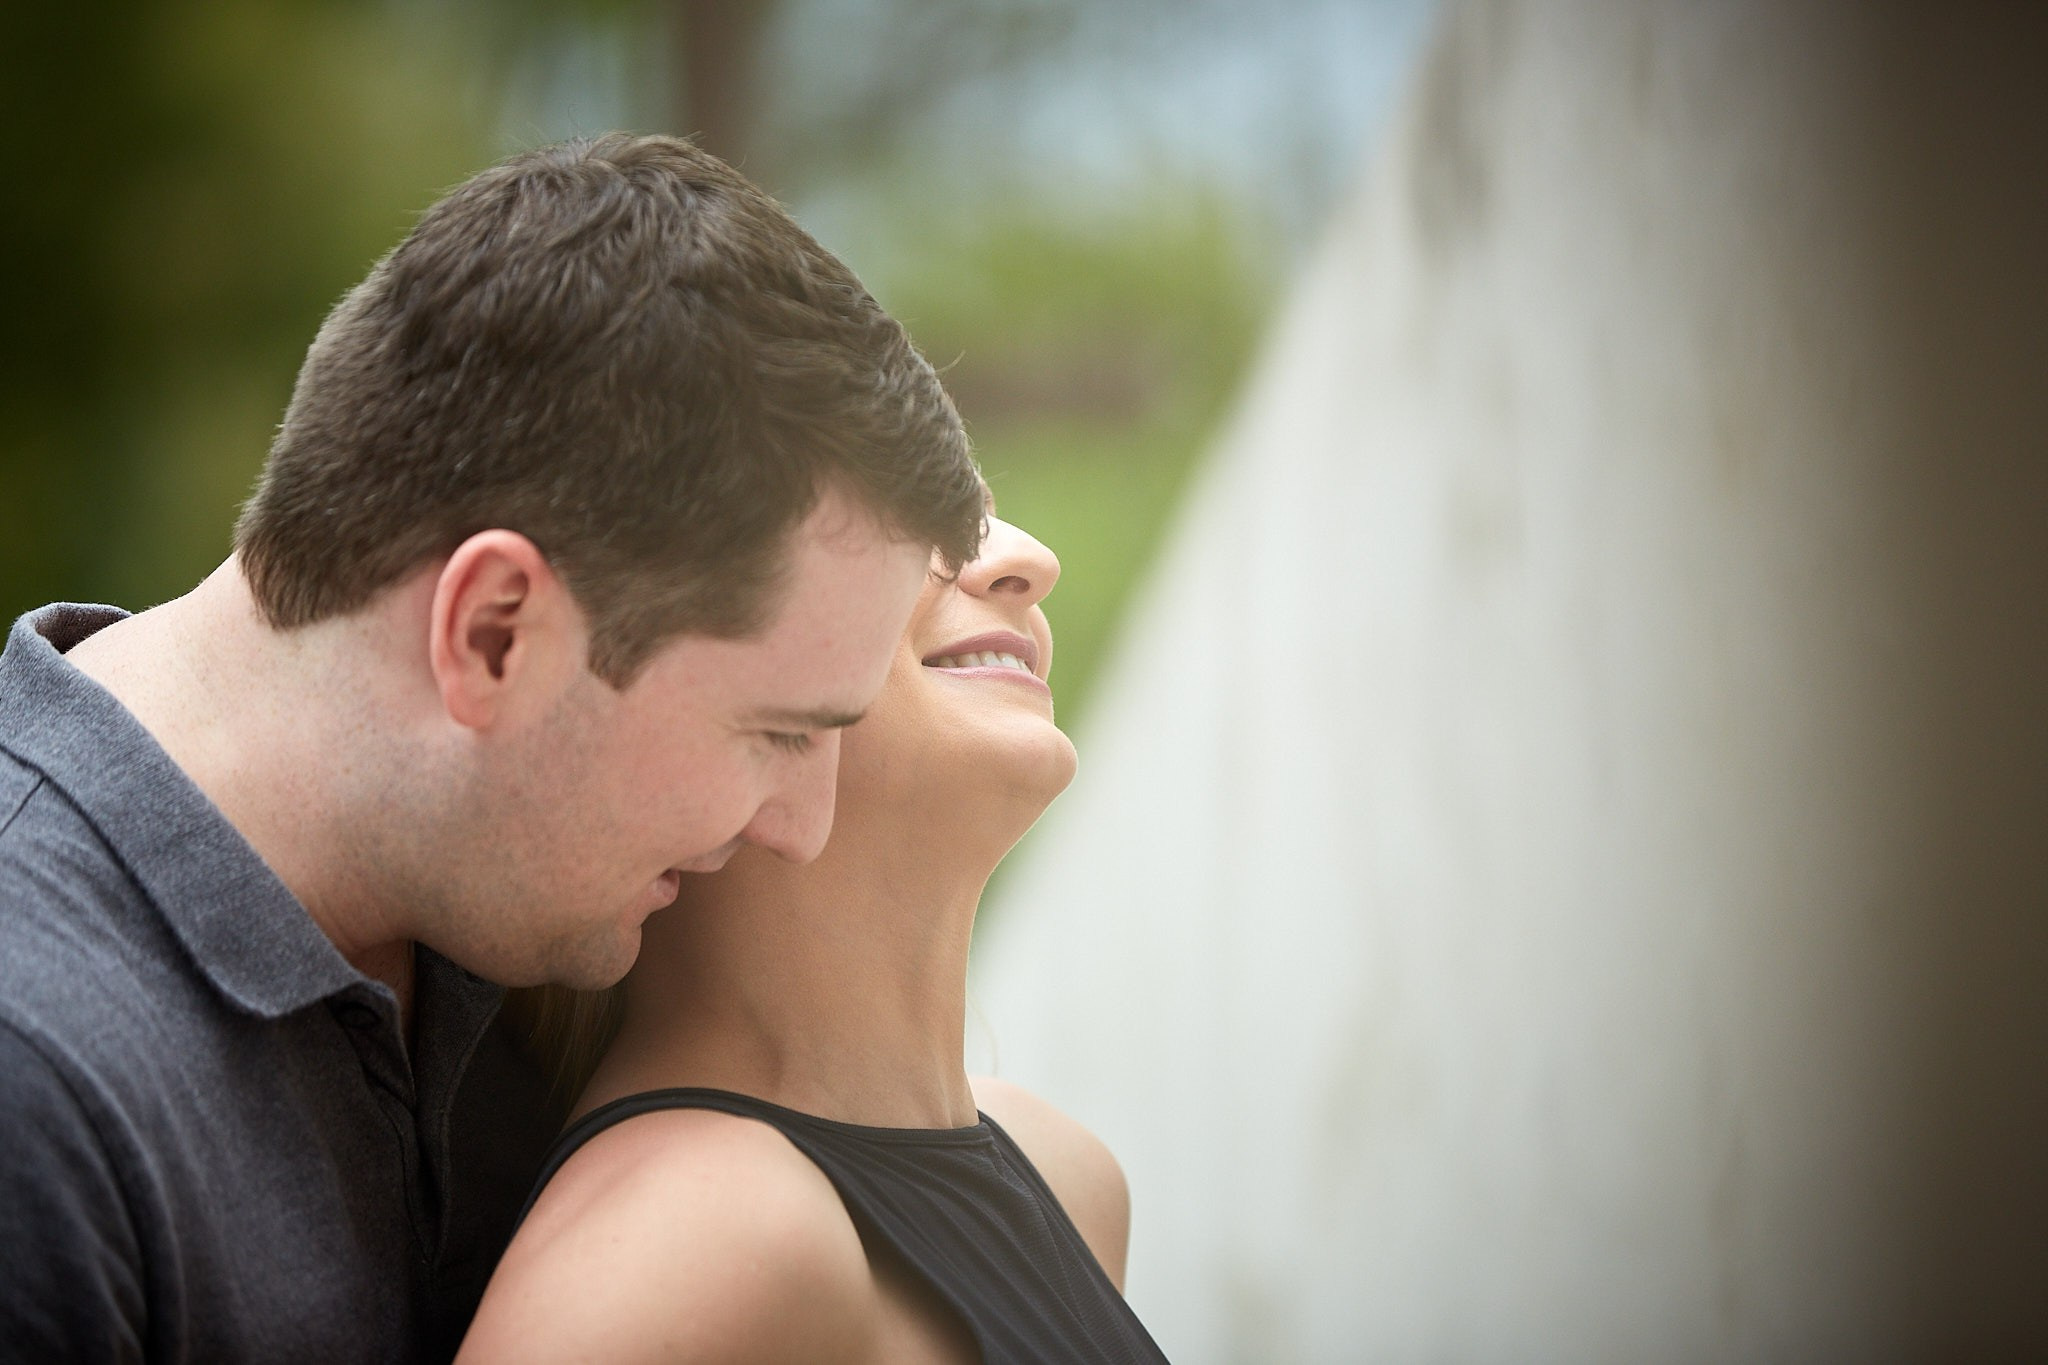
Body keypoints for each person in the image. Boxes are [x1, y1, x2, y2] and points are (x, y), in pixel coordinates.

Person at [0, 133, 985, 1362]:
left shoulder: (505, 909)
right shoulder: (34, 1087)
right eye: (777, 731)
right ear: (494, 632)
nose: (802, 829)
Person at [458, 505, 1169, 1364]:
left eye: (981, 508)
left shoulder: (1070, 1177)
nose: (1029, 558)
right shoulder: (690, 1246)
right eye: (906, 514)